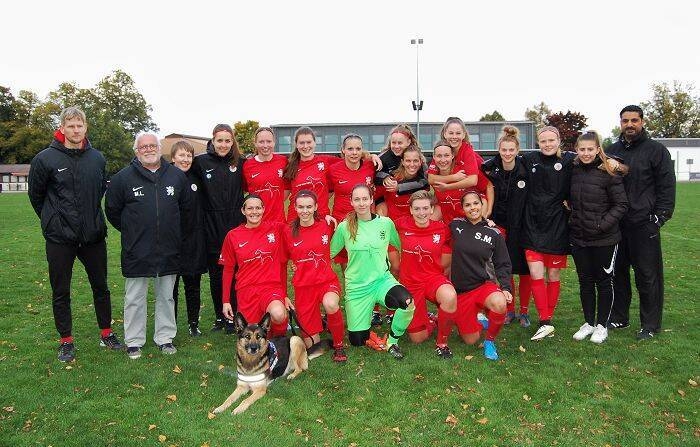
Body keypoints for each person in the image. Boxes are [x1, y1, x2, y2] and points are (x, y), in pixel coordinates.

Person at [28, 106, 123, 362]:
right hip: (60, 238)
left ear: (85, 127)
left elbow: (99, 190)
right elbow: (36, 196)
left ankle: (106, 333)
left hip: (93, 235)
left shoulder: (97, 158)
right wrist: (53, 220)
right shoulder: (45, 159)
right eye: (71, 126)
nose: (76, 130)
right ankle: (66, 341)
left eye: (79, 125)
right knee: (61, 291)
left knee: (101, 287)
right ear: (62, 128)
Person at [105, 132, 190, 359]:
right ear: (136, 151)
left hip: (169, 248)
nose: (149, 149)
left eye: (153, 146)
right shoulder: (122, 178)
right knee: (134, 298)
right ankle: (134, 341)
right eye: (143, 147)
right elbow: (112, 211)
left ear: (160, 148)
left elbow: (186, 210)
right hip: (137, 249)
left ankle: (165, 338)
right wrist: (133, 231)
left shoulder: (176, 176)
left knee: (166, 296)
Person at [606, 105, 676, 340]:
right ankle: (620, 317)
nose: (630, 125)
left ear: (642, 122)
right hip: (617, 224)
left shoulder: (656, 150)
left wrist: (660, 216)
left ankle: (650, 324)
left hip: (644, 224)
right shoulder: (612, 150)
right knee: (617, 274)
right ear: (620, 123)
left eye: (634, 120)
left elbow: (667, 186)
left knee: (647, 276)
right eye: (625, 121)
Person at [330, 184, 415, 359]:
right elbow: (328, 253)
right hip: (357, 288)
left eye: (365, 199)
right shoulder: (344, 227)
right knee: (357, 340)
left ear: (371, 200)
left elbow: (402, 245)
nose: (361, 203)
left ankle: (392, 341)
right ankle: (367, 331)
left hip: (382, 281)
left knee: (407, 302)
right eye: (357, 199)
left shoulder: (386, 223)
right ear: (351, 202)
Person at [569, 131, 629, 344]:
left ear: (598, 150)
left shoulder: (608, 171)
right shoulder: (573, 170)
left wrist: (601, 225)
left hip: (605, 239)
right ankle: (588, 323)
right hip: (579, 238)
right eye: (582, 149)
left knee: (604, 282)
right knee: (585, 281)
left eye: (590, 149)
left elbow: (621, 204)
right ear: (576, 150)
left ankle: (602, 325)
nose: (586, 153)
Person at [190, 124, 246, 333]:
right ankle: (220, 317)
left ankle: (236, 316)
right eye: (219, 140)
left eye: (227, 140)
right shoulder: (201, 162)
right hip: (211, 228)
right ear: (213, 141)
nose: (223, 144)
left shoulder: (240, 162)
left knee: (237, 273)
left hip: (236, 227)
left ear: (232, 142)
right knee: (216, 274)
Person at [521, 126, 575, 341]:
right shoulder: (529, 159)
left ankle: (547, 319)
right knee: (536, 274)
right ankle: (544, 321)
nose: (547, 144)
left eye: (551, 140)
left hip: (557, 226)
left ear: (559, 140)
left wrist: (615, 162)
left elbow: (593, 157)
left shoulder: (570, 160)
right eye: (543, 141)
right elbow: (503, 162)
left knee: (553, 275)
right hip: (532, 225)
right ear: (538, 142)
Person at [283, 190, 347, 362]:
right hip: (303, 287)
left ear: (316, 207)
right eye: (301, 207)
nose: (305, 211)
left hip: (326, 282)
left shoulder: (327, 224)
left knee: (330, 304)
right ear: (294, 207)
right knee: (313, 347)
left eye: (309, 207)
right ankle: (323, 325)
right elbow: (282, 262)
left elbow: (349, 225)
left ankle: (339, 346)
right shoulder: (287, 232)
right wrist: (283, 293)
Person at [449, 191, 513, 360]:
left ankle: (490, 341)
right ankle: (474, 318)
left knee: (499, 303)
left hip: (482, 286)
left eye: (476, 203)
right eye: (468, 205)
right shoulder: (455, 225)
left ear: (482, 205)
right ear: (462, 208)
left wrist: (506, 287)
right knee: (470, 340)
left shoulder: (494, 233)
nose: (472, 208)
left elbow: (503, 263)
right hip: (461, 292)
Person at [395, 191, 458, 359]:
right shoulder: (401, 224)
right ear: (410, 210)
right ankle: (432, 321)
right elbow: (377, 226)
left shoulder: (442, 228)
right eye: (417, 209)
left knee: (450, 296)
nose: (421, 213)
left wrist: (487, 221)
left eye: (425, 208)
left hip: (433, 279)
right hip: (410, 283)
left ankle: (442, 343)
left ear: (432, 209)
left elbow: (461, 236)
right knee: (418, 338)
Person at [481, 125, 532, 327]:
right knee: (505, 268)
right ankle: (509, 310)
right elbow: (481, 186)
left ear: (517, 150)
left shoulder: (526, 167)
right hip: (500, 224)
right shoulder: (489, 167)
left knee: (526, 270)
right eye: (504, 150)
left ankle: (524, 312)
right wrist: (487, 213)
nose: (508, 153)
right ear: (499, 149)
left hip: (523, 225)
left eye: (511, 150)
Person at [219, 195, 289, 339]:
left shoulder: (276, 229)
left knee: (278, 314)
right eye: (250, 208)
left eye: (258, 208)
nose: (254, 212)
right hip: (246, 291)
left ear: (263, 209)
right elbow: (228, 270)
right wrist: (226, 301)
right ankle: (267, 343)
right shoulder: (233, 236)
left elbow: (302, 225)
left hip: (270, 287)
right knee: (252, 335)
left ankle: (278, 340)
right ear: (243, 211)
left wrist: (325, 218)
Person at [170, 140, 207, 337]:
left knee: (193, 286)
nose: (185, 159)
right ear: (173, 157)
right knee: (171, 289)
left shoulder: (196, 178)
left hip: (193, 242)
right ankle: (171, 325)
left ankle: (193, 323)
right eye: (181, 155)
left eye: (189, 156)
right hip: (171, 243)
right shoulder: (165, 178)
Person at [428, 117, 494, 219]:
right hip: (452, 203)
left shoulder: (469, 154)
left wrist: (488, 210)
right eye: (451, 133)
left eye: (458, 133)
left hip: (475, 200)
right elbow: (431, 179)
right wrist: (454, 177)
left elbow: (478, 182)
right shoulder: (442, 151)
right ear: (445, 134)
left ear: (463, 135)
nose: (454, 136)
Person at [282, 127, 341, 222]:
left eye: (309, 142)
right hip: (296, 219)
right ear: (296, 144)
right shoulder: (289, 165)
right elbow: (282, 196)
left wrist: (370, 156)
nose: (305, 146)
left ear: (314, 143)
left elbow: (351, 160)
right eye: (301, 143)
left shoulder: (326, 161)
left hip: (320, 218)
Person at [242, 127, 289, 222]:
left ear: (274, 142)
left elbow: (287, 187)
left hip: (278, 222)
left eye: (269, 141)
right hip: (255, 222)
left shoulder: (283, 161)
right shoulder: (247, 165)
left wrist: (275, 202)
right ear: (255, 143)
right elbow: (245, 190)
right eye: (261, 142)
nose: (265, 145)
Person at [374, 124, 420, 216]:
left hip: (407, 194)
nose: (396, 146)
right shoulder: (384, 157)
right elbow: (373, 173)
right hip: (386, 197)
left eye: (400, 143)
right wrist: (384, 177)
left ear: (408, 142)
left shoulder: (415, 155)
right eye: (393, 143)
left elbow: (424, 180)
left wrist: (400, 187)